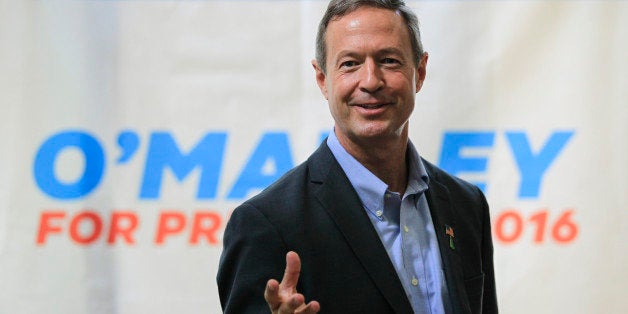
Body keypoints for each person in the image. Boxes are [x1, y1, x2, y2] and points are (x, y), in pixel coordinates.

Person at [217, 0, 497, 313]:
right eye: (350, 63)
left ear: (419, 72)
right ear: (323, 79)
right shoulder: (266, 225)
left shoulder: (466, 205)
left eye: (389, 60)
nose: (370, 81)